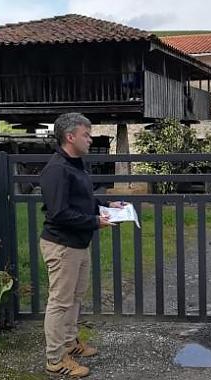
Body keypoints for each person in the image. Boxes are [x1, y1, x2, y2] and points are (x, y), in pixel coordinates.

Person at [39, 112, 124, 377]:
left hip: (77, 243)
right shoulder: (57, 170)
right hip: (62, 246)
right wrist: (94, 221)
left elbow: (81, 200)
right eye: (85, 135)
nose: (90, 139)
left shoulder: (76, 164)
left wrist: (108, 205)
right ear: (70, 136)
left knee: (74, 298)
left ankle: (69, 342)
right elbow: (59, 213)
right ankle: (55, 359)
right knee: (60, 302)